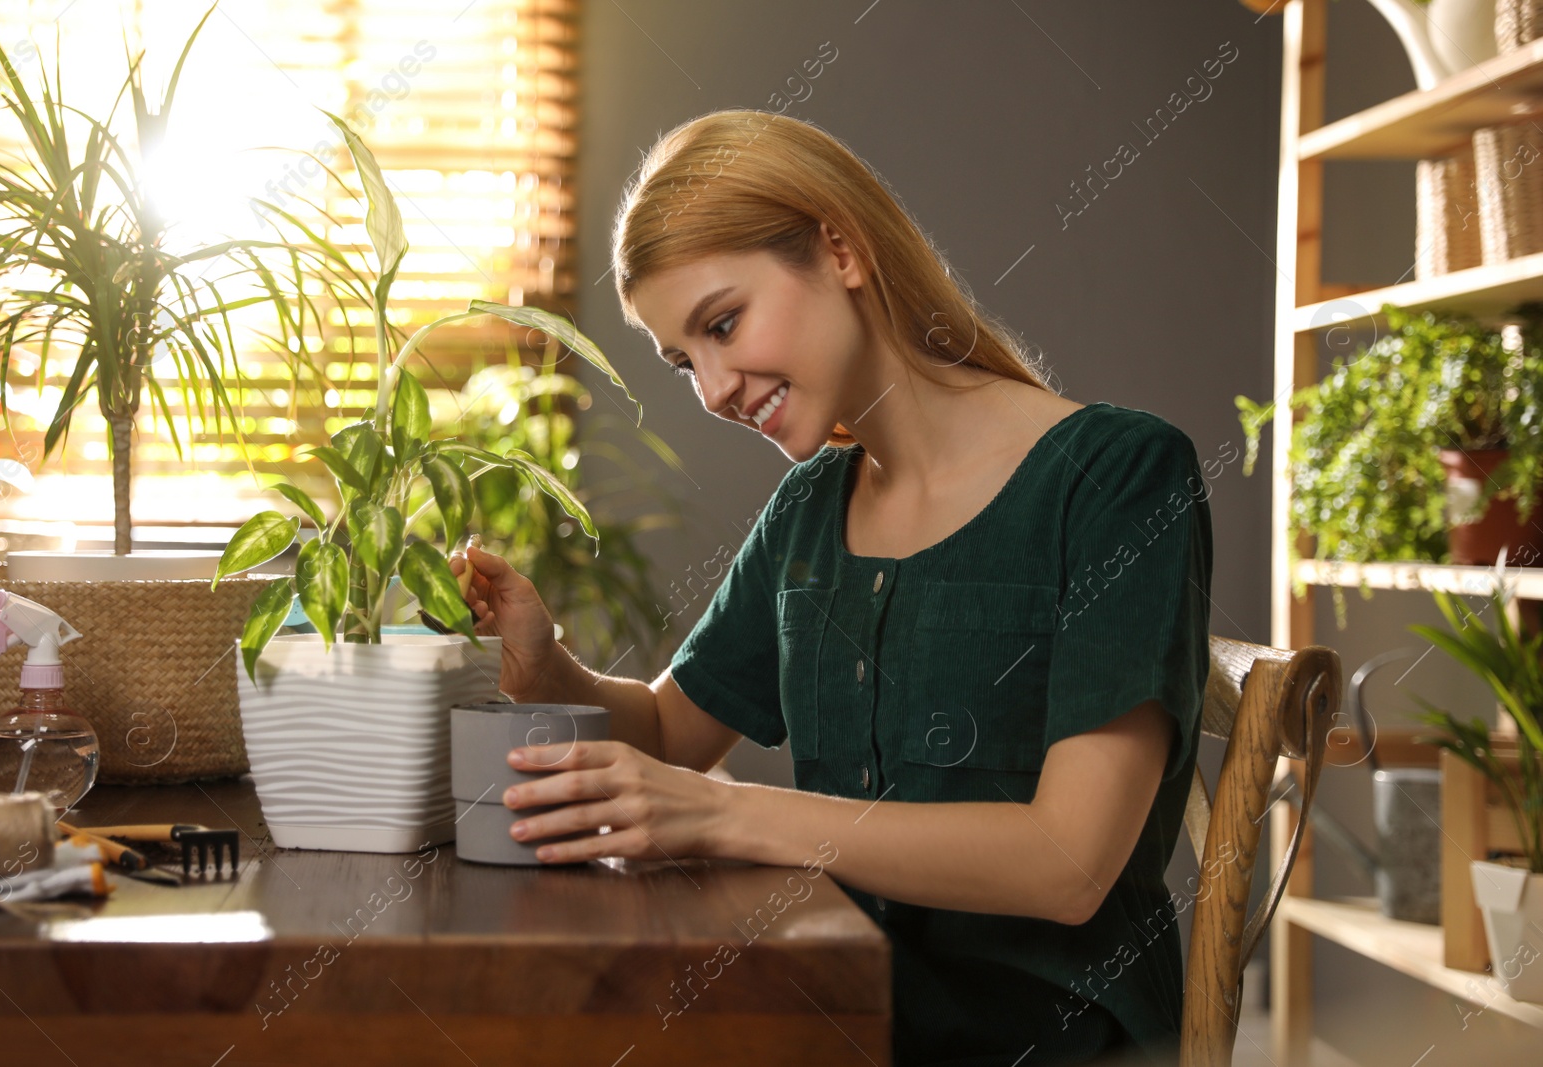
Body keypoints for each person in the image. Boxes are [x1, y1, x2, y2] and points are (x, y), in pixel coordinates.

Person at [448, 109, 1213, 1067]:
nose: (715, 389)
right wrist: (546, 661)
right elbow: (666, 731)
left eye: (723, 324)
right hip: (838, 1002)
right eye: (686, 359)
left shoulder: (1118, 475)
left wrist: (722, 812)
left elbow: (1069, 864)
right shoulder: (812, 510)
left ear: (839, 250)